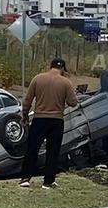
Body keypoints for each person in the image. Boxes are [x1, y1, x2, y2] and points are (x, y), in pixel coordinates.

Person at [19, 58, 79, 189]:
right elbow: (73, 103)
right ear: (62, 68)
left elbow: (27, 101)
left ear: (50, 66)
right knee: (53, 151)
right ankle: (48, 181)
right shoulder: (65, 82)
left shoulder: (37, 79)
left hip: (39, 119)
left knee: (32, 149)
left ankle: (25, 178)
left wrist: (24, 116)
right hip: (56, 120)